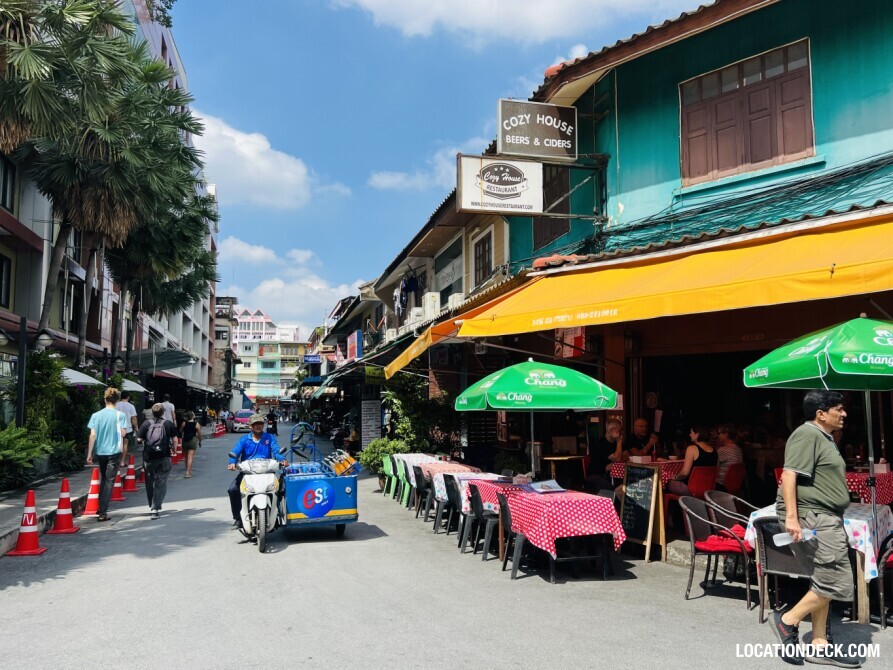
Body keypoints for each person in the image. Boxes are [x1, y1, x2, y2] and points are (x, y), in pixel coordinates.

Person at [772, 391, 858, 667]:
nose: (844, 414)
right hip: (815, 518)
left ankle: (819, 644)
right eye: (839, 409)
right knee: (837, 580)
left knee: (824, 576)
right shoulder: (806, 434)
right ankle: (789, 620)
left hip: (825, 516)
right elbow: (789, 475)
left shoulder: (824, 437)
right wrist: (793, 518)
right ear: (821, 413)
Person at [227, 414, 287, 529]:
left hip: (266, 471)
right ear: (250, 426)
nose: (259, 426)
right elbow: (235, 452)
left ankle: (277, 515)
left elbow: (276, 451)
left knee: (279, 489)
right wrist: (232, 462)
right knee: (233, 490)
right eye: (256, 424)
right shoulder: (244, 440)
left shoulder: (269, 438)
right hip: (248, 472)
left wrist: (282, 460)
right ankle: (238, 519)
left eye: (260, 424)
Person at [85, 387, 128, 522]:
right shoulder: (119, 415)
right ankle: (103, 511)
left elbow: (92, 435)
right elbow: (123, 433)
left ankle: (100, 507)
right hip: (114, 452)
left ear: (105, 399)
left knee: (104, 478)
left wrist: (89, 453)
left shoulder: (96, 415)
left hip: (100, 452)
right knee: (109, 480)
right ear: (117, 401)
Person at [138, 403, 177, 519]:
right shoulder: (168, 424)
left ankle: (152, 503)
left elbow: (139, 439)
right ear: (163, 412)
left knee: (149, 481)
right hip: (164, 456)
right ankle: (155, 508)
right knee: (161, 482)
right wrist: (174, 451)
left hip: (149, 457)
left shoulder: (146, 424)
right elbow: (175, 439)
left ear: (152, 412)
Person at [665, 425, 717, 496]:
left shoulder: (692, 449)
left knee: (667, 482)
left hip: (691, 489)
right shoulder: (715, 452)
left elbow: (685, 473)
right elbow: (717, 473)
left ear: (697, 435)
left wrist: (675, 477)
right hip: (708, 490)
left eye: (691, 432)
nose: (690, 434)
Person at [586, 418, 626, 491]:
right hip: (597, 475)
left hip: (614, 475)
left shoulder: (618, 445)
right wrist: (619, 440)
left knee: (626, 486)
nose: (621, 433)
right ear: (613, 431)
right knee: (612, 489)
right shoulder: (600, 443)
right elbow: (617, 458)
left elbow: (626, 456)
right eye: (620, 430)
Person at [714, 423, 744, 491]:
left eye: (720, 433)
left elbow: (714, 468)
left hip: (721, 485)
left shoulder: (723, 450)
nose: (718, 436)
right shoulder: (739, 449)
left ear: (726, 434)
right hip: (734, 484)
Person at [115, 390, 139, 462]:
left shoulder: (116, 405)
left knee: (117, 444)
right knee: (125, 444)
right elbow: (134, 418)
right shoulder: (131, 406)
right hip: (127, 428)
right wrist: (136, 427)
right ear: (128, 397)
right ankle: (122, 461)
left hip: (116, 427)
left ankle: (116, 461)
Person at [179, 410, 202, 478]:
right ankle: (188, 472)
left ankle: (187, 470)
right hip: (192, 440)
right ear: (193, 416)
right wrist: (200, 441)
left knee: (186, 457)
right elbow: (199, 434)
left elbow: (180, 431)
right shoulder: (196, 424)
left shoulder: (184, 423)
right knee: (190, 457)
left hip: (185, 440)